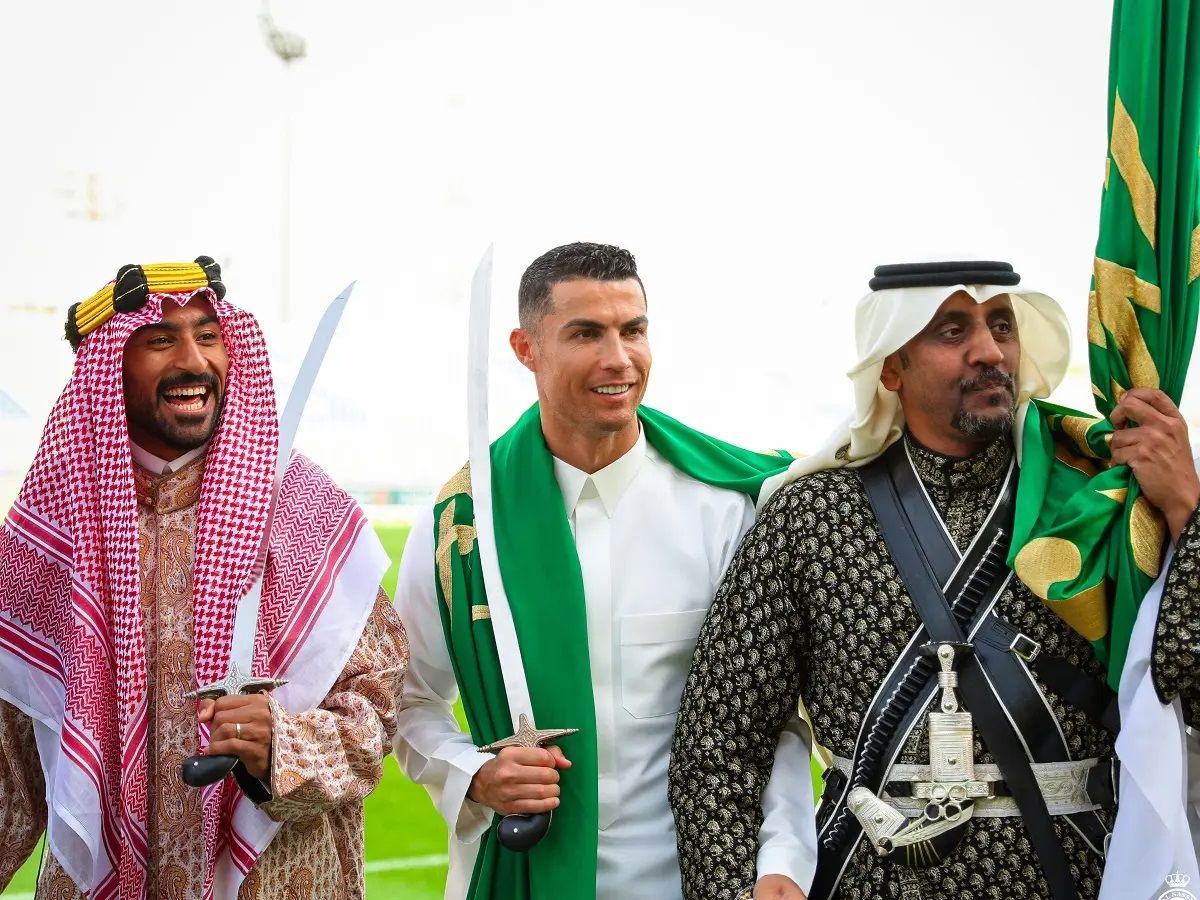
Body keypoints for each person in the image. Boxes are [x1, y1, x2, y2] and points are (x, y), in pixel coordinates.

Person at [669, 261, 1200, 900]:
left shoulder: (1097, 503)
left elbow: (1186, 693)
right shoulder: (809, 516)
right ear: (891, 367)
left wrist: (1185, 514)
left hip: (1072, 874)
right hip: (870, 879)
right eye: (952, 331)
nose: (989, 351)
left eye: (1001, 326)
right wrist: (731, 890)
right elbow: (719, 741)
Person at [393, 242, 818, 900]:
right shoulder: (462, 526)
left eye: (634, 330)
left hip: (703, 880)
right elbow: (410, 702)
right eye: (586, 334)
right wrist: (473, 774)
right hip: (524, 873)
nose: (619, 359)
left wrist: (783, 862)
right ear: (525, 348)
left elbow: (771, 721)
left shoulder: (728, 511)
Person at [0, 259, 408, 899]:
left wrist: (284, 744)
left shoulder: (303, 510)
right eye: (161, 340)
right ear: (105, 370)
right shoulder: (48, 538)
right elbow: (9, 764)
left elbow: (376, 713)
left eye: (208, 335)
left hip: (279, 881)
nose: (194, 360)